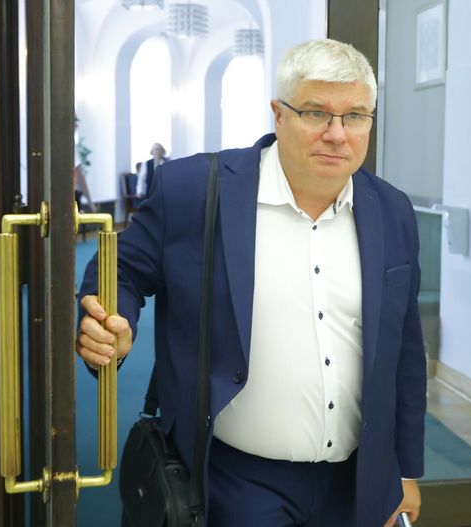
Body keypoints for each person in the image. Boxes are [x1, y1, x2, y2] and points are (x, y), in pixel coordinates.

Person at [76, 39, 425, 527]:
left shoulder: (391, 210)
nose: (337, 134)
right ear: (278, 114)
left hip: (355, 483)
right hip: (237, 481)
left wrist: (405, 470)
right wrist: (111, 320)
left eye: (355, 116)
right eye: (316, 113)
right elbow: (122, 268)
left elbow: (404, 348)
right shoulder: (197, 189)